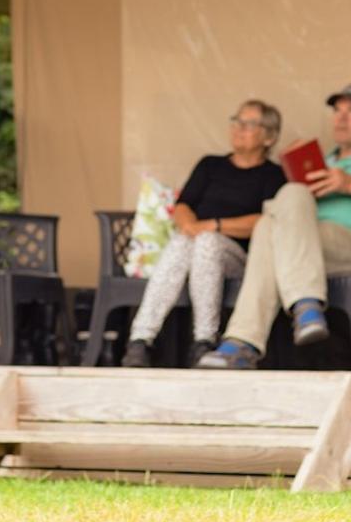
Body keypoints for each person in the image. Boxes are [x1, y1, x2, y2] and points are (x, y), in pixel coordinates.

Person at [198, 83, 351, 369]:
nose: (341, 118)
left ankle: (244, 342)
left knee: (279, 212)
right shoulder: (321, 162)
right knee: (271, 221)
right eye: (337, 111)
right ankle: (304, 309)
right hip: (302, 247)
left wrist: (348, 183)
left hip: (346, 244)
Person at [120, 101, 287, 367]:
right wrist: (189, 226)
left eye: (249, 124)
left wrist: (213, 226)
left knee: (206, 242)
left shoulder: (273, 175)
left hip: (241, 258)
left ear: (269, 136)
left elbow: (267, 221)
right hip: (194, 245)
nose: (238, 128)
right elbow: (183, 205)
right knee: (182, 242)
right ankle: (140, 340)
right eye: (236, 121)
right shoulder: (210, 165)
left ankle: (204, 340)